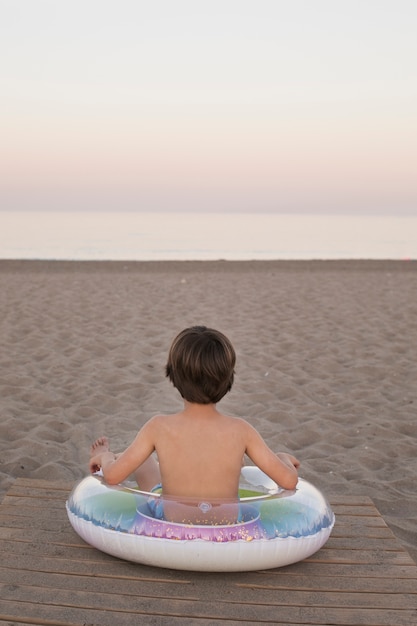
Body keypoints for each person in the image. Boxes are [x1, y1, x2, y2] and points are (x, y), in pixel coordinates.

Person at [89, 326, 299, 522]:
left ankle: (115, 455)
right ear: (228, 380)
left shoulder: (158, 426)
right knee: (233, 460)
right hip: (225, 524)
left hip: (173, 520)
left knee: (142, 462)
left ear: (173, 376)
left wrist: (104, 457)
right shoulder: (241, 430)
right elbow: (289, 481)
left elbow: (113, 476)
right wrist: (282, 459)